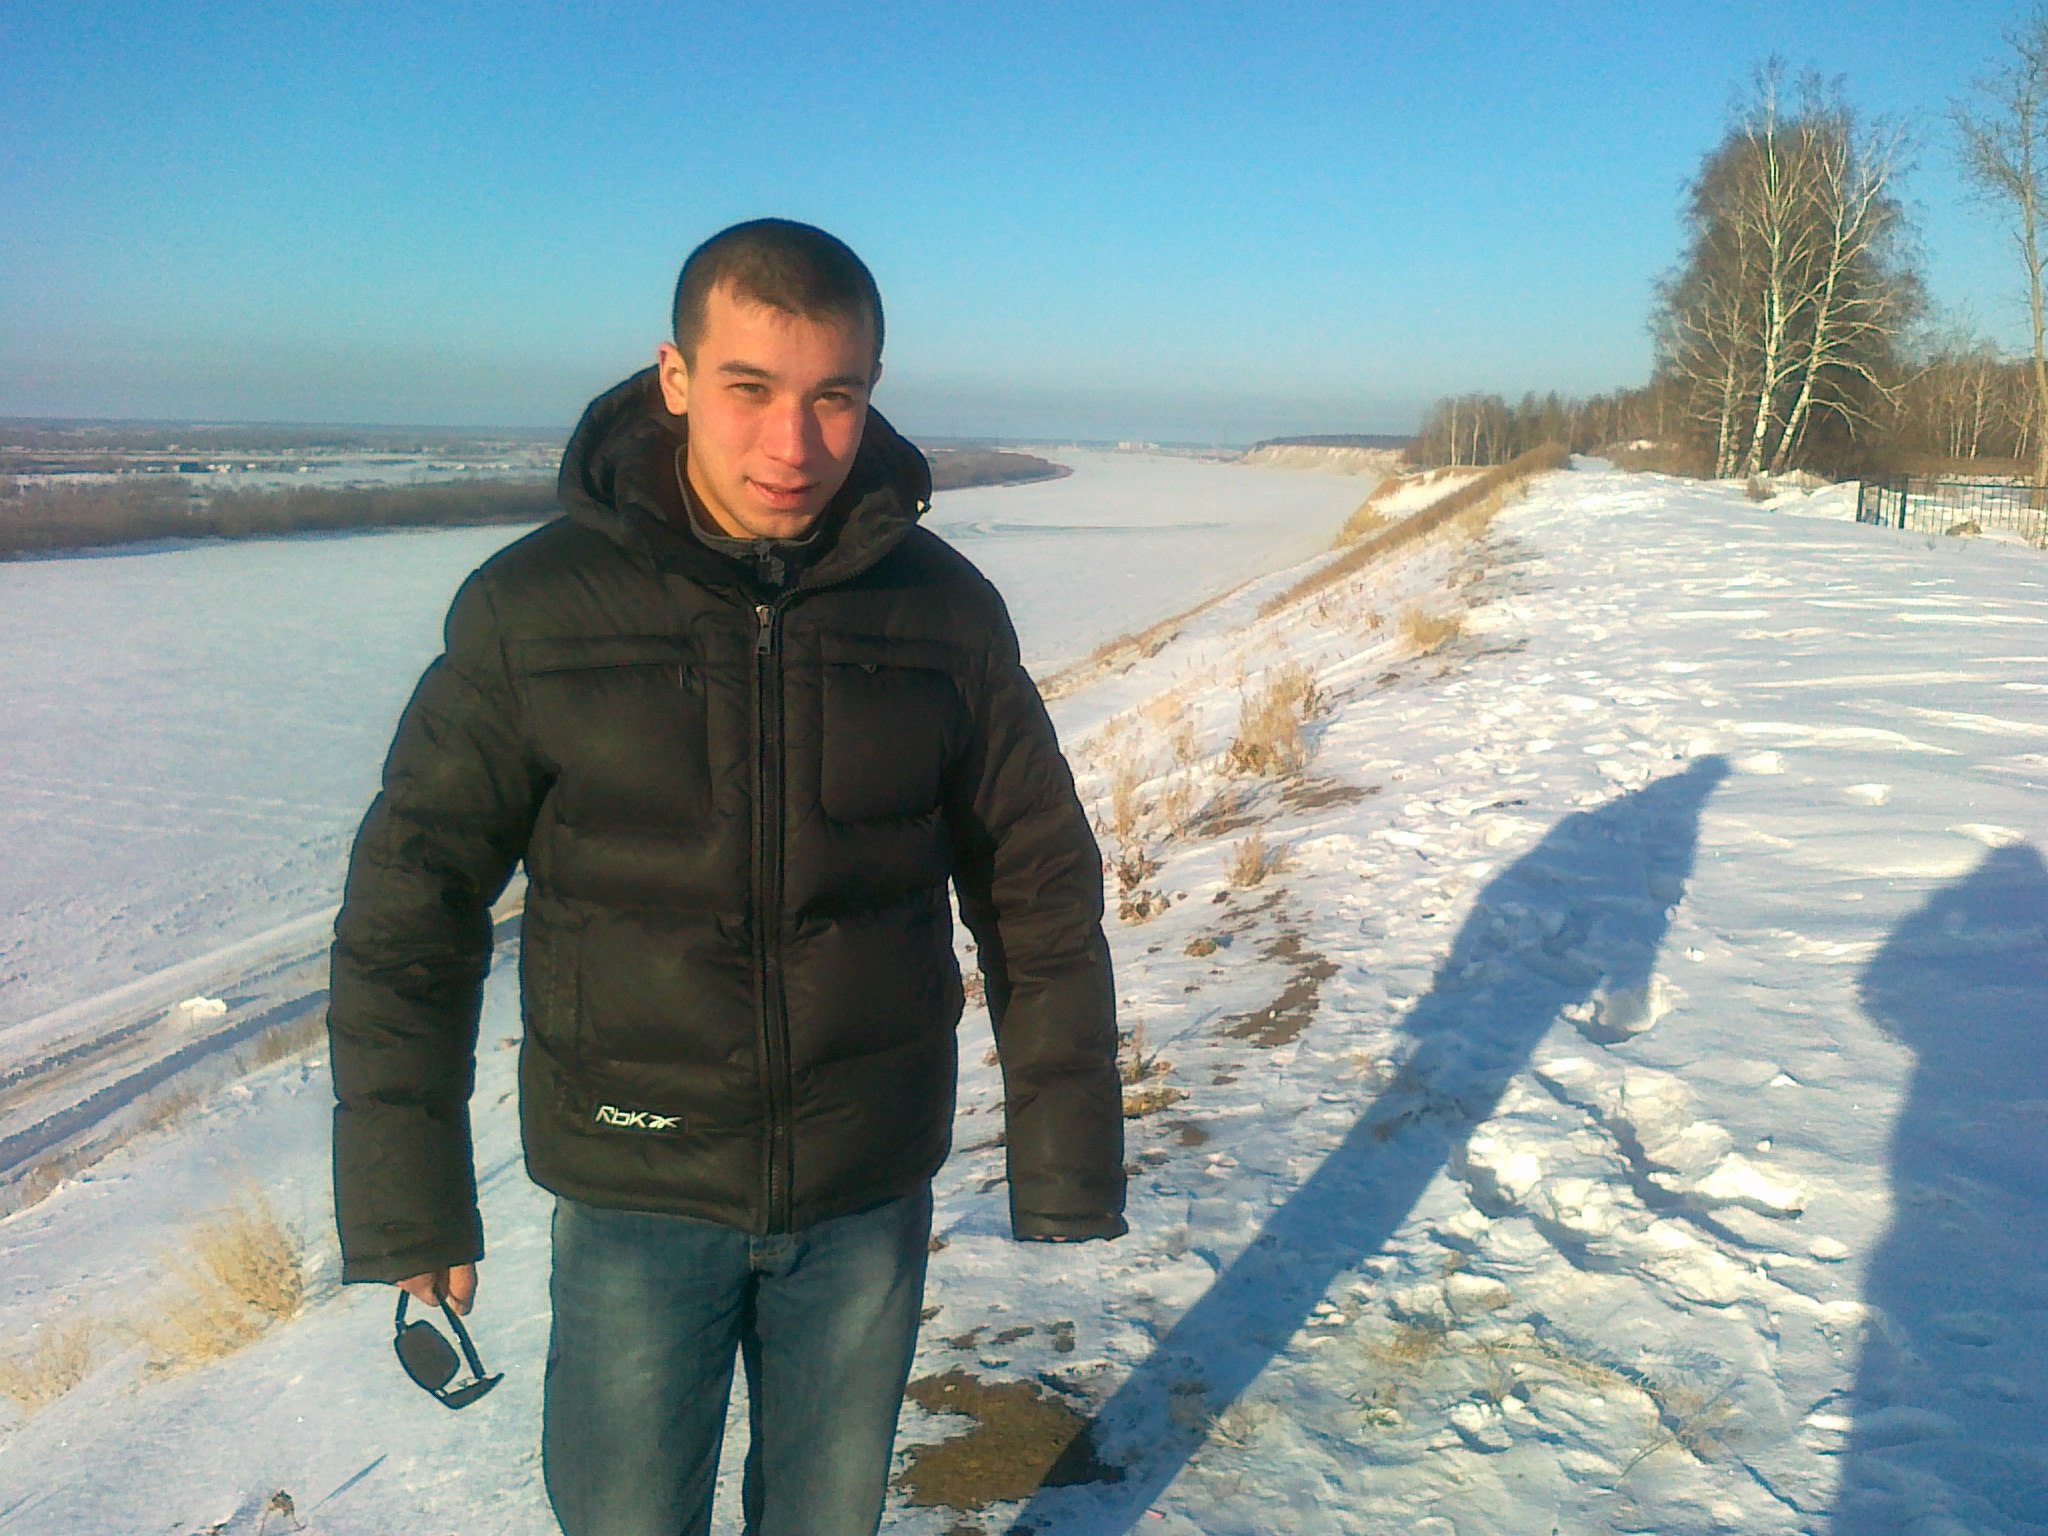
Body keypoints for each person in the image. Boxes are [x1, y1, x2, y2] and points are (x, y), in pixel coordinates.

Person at [326, 218, 1126, 1536]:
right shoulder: (535, 611)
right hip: (634, 1184)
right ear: (676, 378)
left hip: (864, 1186)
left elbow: (1037, 887)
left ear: (871, 392)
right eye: (750, 388)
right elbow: (412, 904)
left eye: (834, 397)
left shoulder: (942, 614)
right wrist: (407, 1193)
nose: (792, 444)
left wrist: (1067, 1157)